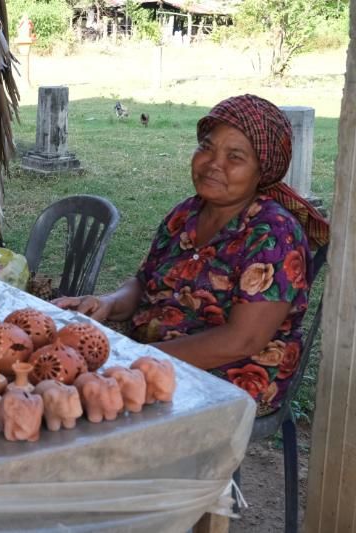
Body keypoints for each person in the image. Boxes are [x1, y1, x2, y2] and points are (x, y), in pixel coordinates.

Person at [54, 94, 330, 416]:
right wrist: (110, 302)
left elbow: (241, 341)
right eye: (207, 147)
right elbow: (145, 282)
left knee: (83, 407)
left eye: (235, 157)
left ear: (262, 171)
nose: (214, 164)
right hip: (156, 357)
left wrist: (140, 358)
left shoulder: (274, 236)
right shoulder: (186, 214)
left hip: (231, 378)